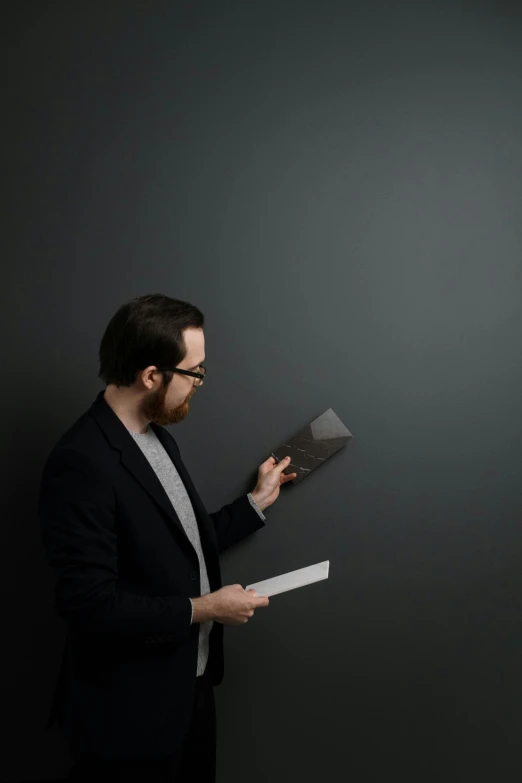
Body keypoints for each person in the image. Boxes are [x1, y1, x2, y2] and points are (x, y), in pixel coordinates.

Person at [38, 293, 296, 782]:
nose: (200, 384)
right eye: (194, 373)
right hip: (128, 715)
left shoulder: (158, 439)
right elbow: (89, 605)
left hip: (188, 690)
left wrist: (255, 503)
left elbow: (179, 546)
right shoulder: (82, 462)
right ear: (151, 376)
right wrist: (206, 609)